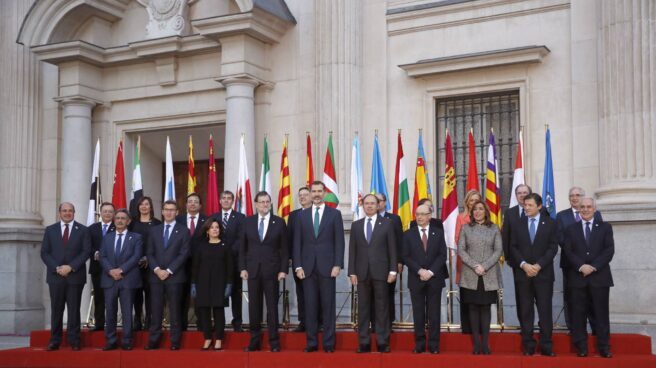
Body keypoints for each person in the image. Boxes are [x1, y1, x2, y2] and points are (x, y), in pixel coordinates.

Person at [293, 181, 345, 353]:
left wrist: (338, 264)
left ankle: (329, 344)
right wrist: (298, 265)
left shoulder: (335, 215)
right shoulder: (301, 216)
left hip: (328, 267)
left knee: (328, 306)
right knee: (310, 306)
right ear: (310, 193)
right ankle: (312, 343)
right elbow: (297, 243)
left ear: (324, 193)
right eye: (313, 191)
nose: (316, 194)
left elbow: (339, 242)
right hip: (307, 268)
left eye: (319, 191)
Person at [563, 197, 614, 358]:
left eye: (588, 207)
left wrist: (593, 267)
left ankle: (604, 347)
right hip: (578, 278)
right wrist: (581, 266)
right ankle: (581, 347)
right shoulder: (571, 229)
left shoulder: (605, 227)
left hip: (599, 277)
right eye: (582, 207)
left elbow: (609, 250)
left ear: (594, 209)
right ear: (579, 209)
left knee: (601, 314)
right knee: (578, 315)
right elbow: (568, 251)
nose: (585, 209)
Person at [509, 193, 558, 356]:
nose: (526, 208)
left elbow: (553, 248)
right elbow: (513, 247)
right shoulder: (517, 224)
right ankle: (528, 346)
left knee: (545, 311)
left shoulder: (550, 223)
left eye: (530, 205)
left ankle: (546, 346)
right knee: (525, 311)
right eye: (525, 205)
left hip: (543, 275)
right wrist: (524, 265)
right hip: (523, 275)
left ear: (539, 206)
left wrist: (538, 265)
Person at [240, 191, 288, 352]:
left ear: (271, 203)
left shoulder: (279, 222)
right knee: (254, 307)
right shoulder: (248, 222)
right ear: (256, 204)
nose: (265, 204)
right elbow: (242, 248)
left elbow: (284, 249)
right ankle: (255, 341)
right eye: (261, 202)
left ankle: (274, 342)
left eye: (267, 201)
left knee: (272, 307)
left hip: (272, 271)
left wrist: (283, 270)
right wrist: (243, 268)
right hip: (252, 271)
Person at [348, 194, 397, 353]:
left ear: (378, 205)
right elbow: (352, 250)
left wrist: (393, 270)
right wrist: (352, 271)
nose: (369, 206)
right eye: (366, 203)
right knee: (362, 309)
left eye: (372, 203)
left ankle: (383, 342)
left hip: (381, 272)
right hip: (361, 273)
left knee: (382, 308)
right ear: (362, 205)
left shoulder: (387, 224)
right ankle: (364, 342)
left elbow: (392, 249)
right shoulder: (356, 225)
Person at [40, 202, 92, 351]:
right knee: (56, 309)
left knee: (74, 309)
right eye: (64, 210)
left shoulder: (83, 230)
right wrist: (57, 268)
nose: (67, 213)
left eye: (70, 211)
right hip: (55, 276)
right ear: (59, 213)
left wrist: (71, 267)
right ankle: (54, 341)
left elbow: (86, 251)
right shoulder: (50, 230)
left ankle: (74, 340)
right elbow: (45, 252)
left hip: (75, 276)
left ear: (74, 213)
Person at [457, 201, 502, 355]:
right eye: (475, 209)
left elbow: (498, 250)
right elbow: (461, 250)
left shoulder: (494, 228)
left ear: (486, 211)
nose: (477, 212)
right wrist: (475, 265)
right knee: (473, 308)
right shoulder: (466, 228)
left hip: (488, 275)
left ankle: (485, 344)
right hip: (470, 274)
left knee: (485, 308)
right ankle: (476, 344)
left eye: (480, 209)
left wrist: (485, 266)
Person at [145, 200, 190, 350]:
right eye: (166, 209)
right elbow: (149, 253)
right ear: (162, 212)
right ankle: (153, 340)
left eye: (172, 210)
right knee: (155, 309)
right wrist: (157, 270)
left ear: (177, 212)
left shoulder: (184, 230)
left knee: (175, 310)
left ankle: (175, 341)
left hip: (175, 276)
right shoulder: (154, 230)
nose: (169, 212)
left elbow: (184, 254)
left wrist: (169, 270)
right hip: (156, 276)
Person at [556, 187, 602, 333]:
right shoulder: (561, 216)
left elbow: (599, 237)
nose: (574, 198)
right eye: (572, 195)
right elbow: (561, 239)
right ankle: (573, 328)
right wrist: (579, 261)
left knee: (593, 298)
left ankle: (595, 329)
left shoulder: (597, 214)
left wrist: (588, 260)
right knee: (571, 298)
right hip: (571, 264)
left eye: (577, 195)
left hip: (592, 265)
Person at [403, 204, 447, 354]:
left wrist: (431, 271)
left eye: (423, 214)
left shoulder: (438, 233)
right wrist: (420, 270)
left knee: (434, 314)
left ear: (430, 216)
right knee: (418, 313)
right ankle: (420, 344)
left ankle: (434, 345)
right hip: (416, 278)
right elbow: (405, 256)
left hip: (434, 279)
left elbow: (442, 255)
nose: (419, 217)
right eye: (417, 214)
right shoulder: (408, 233)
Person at [100, 209, 143, 351]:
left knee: (126, 312)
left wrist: (121, 270)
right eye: (117, 218)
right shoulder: (107, 237)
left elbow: (136, 257)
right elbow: (103, 256)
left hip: (128, 279)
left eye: (123, 218)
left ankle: (127, 340)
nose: (119, 220)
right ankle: (110, 340)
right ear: (114, 220)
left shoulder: (136, 237)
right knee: (110, 311)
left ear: (128, 221)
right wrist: (111, 270)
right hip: (109, 279)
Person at [192, 218, 233, 351]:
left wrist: (229, 284)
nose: (215, 229)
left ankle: (219, 339)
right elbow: (195, 267)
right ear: (207, 231)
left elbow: (230, 267)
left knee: (218, 312)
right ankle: (208, 338)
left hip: (220, 283)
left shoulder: (225, 246)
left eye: (217, 227)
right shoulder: (201, 246)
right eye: (212, 227)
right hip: (202, 283)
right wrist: (193, 284)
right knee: (204, 312)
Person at [211, 191, 245, 332]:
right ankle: (219, 323)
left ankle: (237, 322)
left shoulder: (240, 217)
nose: (226, 200)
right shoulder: (213, 217)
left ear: (233, 201)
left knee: (236, 294)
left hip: (235, 261)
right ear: (219, 201)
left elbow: (241, 238)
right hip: (217, 263)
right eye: (223, 198)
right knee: (218, 293)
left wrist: (228, 252)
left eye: (229, 198)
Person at [129, 196, 161, 331]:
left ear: (150, 206)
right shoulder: (132, 223)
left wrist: (149, 258)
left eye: (146, 204)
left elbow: (159, 245)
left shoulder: (158, 223)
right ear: (138, 207)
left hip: (152, 265)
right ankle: (137, 318)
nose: (144, 206)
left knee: (150, 293)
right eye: (141, 204)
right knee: (136, 292)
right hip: (134, 265)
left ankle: (149, 319)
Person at [176, 193, 207, 331]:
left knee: (201, 296)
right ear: (186, 204)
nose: (193, 204)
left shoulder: (208, 221)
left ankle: (202, 325)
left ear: (200, 205)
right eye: (190, 201)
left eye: (196, 201)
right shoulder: (178, 220)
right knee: (182, 295)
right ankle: (182, 325)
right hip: (181, 265)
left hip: (201, 265)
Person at [501, 184, 531, 323]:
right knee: (521, 297)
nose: (522, 195)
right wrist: (508, 258)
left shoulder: (540, 212)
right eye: (519, 193)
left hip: (537, 264)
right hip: (518, 262)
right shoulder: (510, 213)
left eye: (525, 192)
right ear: (516, 195)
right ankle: (524, 326)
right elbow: (505, 235)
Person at [374, 193, 403, 332]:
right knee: (373, 295)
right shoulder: (368, 219)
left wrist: (399, 261)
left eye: (378, 201)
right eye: (374, 201)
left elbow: (399, 241)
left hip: (389, 264)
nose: (376, 204)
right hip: (372, 265)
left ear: (385, 203)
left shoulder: (394, 219)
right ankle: (373, 323)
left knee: (388, 294)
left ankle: (388, 323)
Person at [454, 190, 482, 333]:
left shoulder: (486, 218)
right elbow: (458, 240)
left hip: (484, 264)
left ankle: (481, 328)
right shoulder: (461, 218)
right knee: (467, 296)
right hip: (465, 263)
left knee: (481, 297)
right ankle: (467, 330)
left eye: (477, 200)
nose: (474, 203)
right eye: (471, 200)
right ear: (467, 202)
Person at [287, 186, 313, 332]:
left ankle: (317, 321)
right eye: (300, 195)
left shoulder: (317, 213)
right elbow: (289, 237)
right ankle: (303, 321)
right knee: (301, 292)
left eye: (305, 194)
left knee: (316, 292)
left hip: (315, 261)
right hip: (299, 261)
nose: (302, 197)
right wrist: (290, 257)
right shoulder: (294, 215)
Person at [87, 202, 115, 331]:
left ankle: (112, 324)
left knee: (113, 298)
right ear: (100, 212)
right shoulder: (92, 228)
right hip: (97, 269)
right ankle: (99, 324)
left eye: (110, 211)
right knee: (99, 297)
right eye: (105, 211)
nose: (107, 213)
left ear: (113, 214)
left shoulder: (118, 227)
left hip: (113, 269)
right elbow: (87, 247)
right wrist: (94, 252)